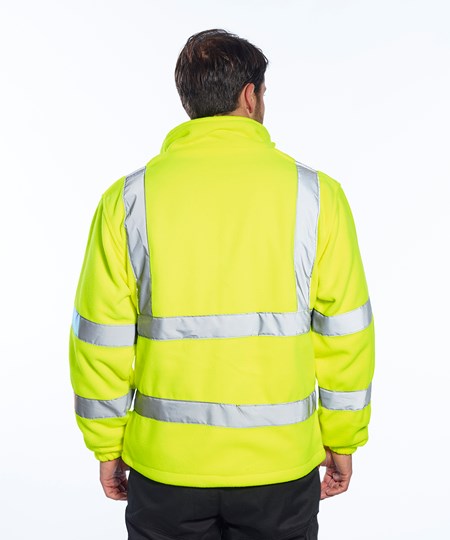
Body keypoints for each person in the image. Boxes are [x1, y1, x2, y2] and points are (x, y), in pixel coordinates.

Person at [69, 29, 375, 540]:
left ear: (189, 100)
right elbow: (345, 337)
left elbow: (100, 340)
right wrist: (343, 440)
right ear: (250, 96)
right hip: (279, 467)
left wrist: (106, 445)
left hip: (166, 468)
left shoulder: (127, 200)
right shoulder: (318, 196)